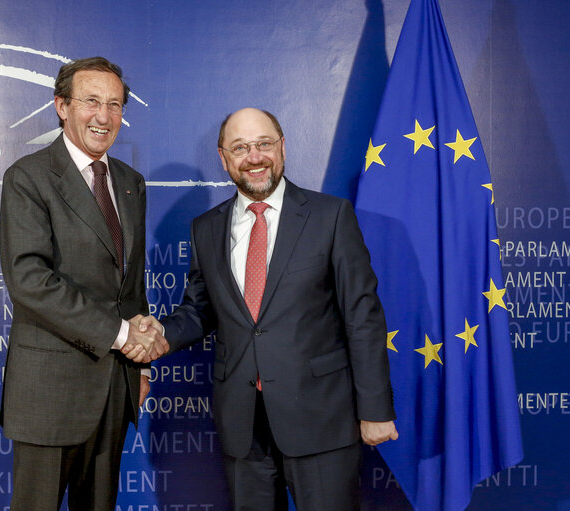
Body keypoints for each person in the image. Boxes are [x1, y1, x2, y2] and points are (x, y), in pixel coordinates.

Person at [134, 107, 398, 510]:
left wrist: (375, 410)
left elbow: (362, 317)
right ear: (224, 158)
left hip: (321, 420)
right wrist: (161, 335)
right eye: (240, 147)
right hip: (243, 426)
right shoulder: (206, 229)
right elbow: (200, 311)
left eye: (263, 144)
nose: (254, 157)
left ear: (282, 148)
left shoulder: (330, 216)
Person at [0, 56, 167, 511]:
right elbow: (30, 280)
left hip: (115, 386)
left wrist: (143, 362)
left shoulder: (130, 182)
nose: (104, 116)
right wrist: (121, 334)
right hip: (49, 391)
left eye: (114, 105)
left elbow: (129, 284)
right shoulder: (28, 177)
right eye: (91, 101)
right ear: (62, 106)